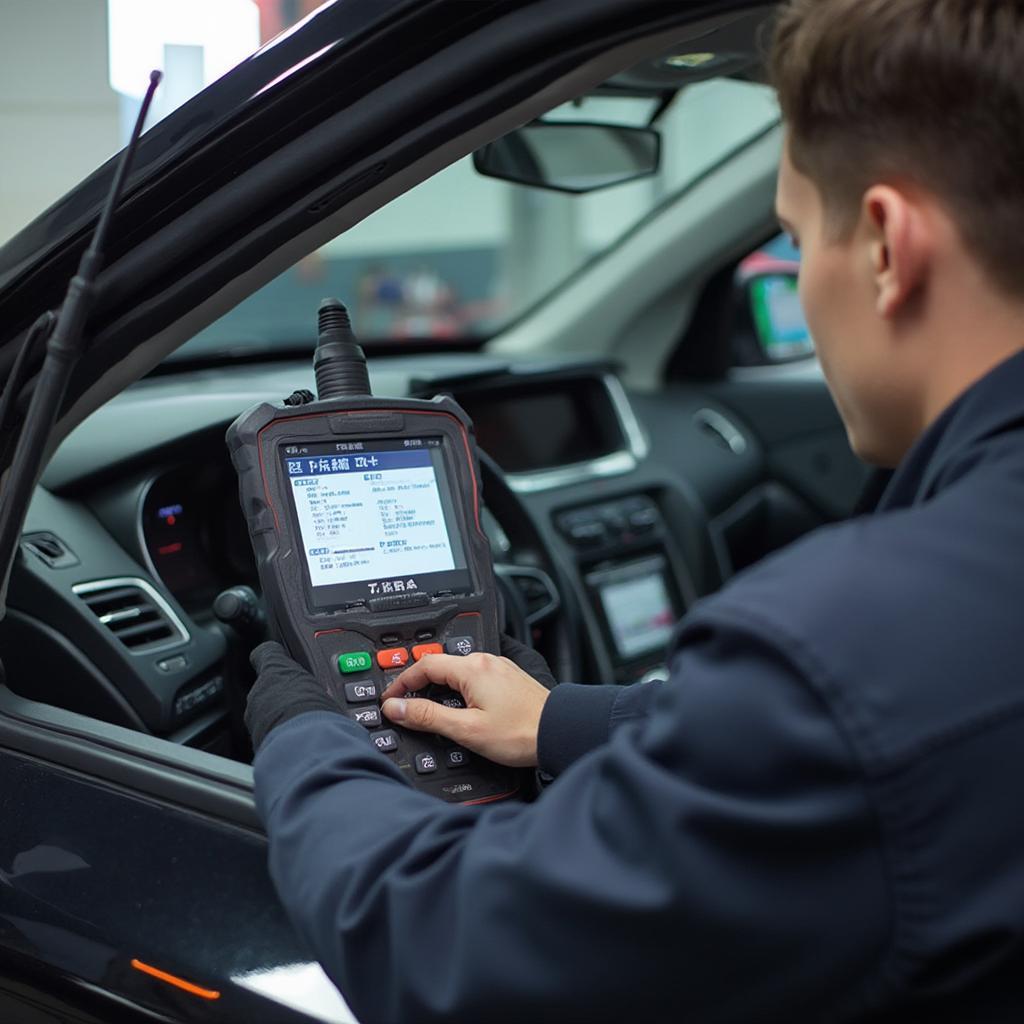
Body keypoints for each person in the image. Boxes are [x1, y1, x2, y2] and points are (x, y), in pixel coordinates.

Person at [243, 1, 1024, 1020]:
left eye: (791, 239)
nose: (799, 278)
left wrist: (302, 735)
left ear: (883, 243)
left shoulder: (839, 650)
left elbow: (453, 947)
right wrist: (565, 720)